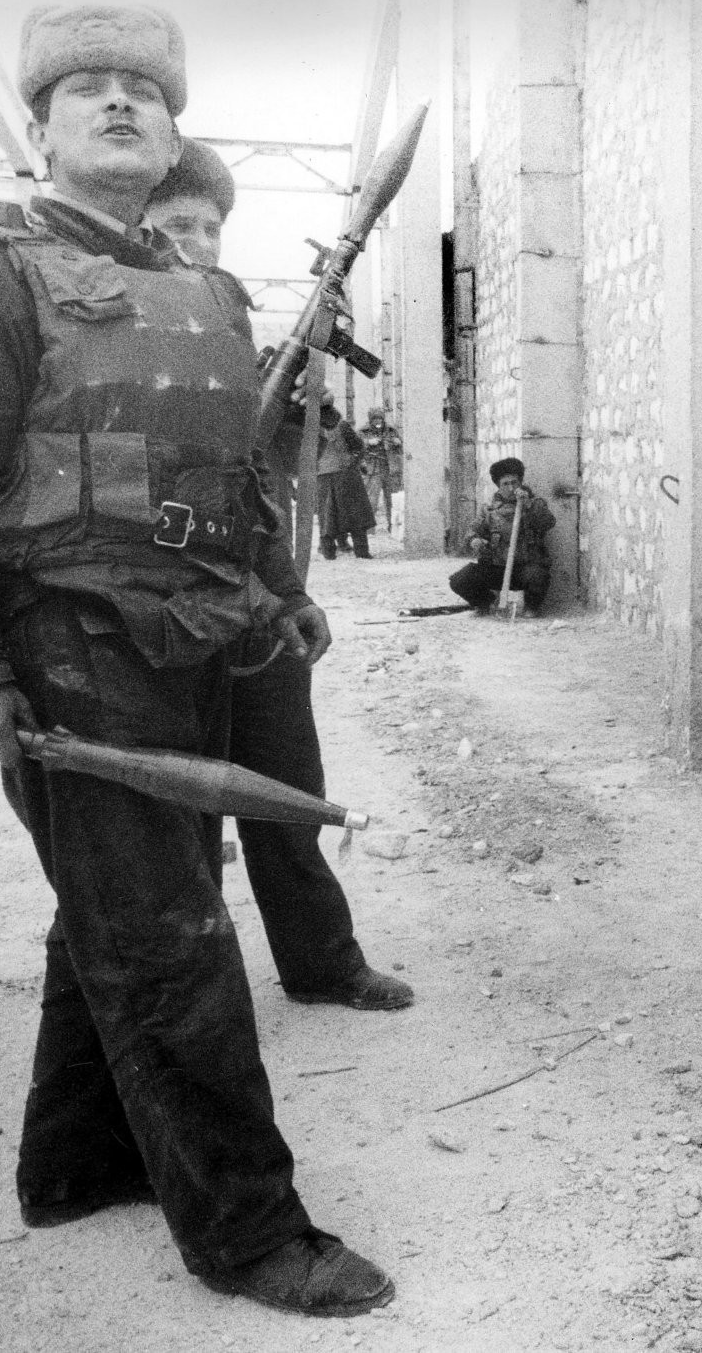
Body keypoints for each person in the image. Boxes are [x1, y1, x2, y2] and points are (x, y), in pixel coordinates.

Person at [0, 4, 393, 1315]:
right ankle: (248, 1232)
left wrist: (271, 595)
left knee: (123, 910)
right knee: (170, 937)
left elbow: (218, 481)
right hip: (65, 650)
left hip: (189, 644)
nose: (117, 105)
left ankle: (77, 1163)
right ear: (38, 126)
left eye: (142, 91)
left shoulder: (202, 290)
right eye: (85, 88)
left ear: (169, 132)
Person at [145, 140, 415, 1014]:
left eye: (208, 228)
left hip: (253, 618)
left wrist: (289, 594)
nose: (195, 244)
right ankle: (195, 992)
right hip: (163, 622)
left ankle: (322, 965)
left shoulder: (227, 336)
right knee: (179, 821)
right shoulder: (105, 345)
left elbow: (249, 490)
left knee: (290, 798)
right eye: (174, 225)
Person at [449, 457, 556, 615]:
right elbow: (471, 533)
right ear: (498, 487)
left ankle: (531, 608)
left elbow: (548, 523)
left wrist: (528, 505)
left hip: (524, 570)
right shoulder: (489, 510)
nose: (511, 488)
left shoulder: (534, 504)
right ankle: (488, 604)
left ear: (520, 483)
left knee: (538, 575)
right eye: (505, 484)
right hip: (497, 570)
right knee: (460, 579)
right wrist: (474, 540)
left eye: (514, 482)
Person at [316, 405, 374, 559]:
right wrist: (352, 463)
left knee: (326, 516)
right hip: (346, 475)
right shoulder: (342, 425)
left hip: (323, 477)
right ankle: (361, 551)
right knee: (356, 515)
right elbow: (359, 447)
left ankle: (328, 553)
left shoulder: (309, 428)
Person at [357, 407, 400, 529]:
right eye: (375, 419)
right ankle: (369, 529)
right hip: (373, 469)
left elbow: (400, 449)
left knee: (392, 500)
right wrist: (368, 442)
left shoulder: (391, 430)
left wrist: (398, 442)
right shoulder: (363, 431)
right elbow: (354, 446)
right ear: (370, 420)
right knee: (371, 500)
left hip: (390, 469)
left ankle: (393, 527)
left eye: (380, 418)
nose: (378, 421)